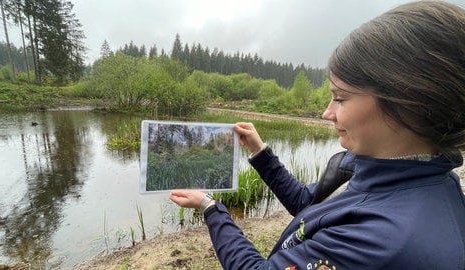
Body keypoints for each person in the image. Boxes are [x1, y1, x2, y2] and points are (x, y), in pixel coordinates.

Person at [169, 1, 465, 269]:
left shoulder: (379, 242)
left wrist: (211, 207)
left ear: (407, 101)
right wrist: (260, 153)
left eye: (340, 98)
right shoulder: (396, 170)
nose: (327, 112)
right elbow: (308, 205)